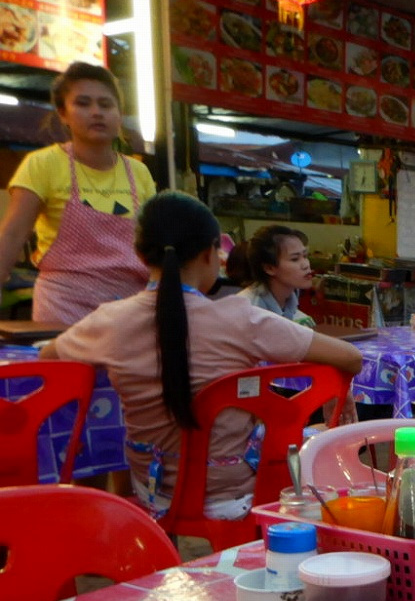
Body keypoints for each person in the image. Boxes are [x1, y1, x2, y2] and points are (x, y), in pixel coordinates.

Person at [41, 192, 362, 518]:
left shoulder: (108, 321)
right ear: (211, 254)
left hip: (154, 493)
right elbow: (350, 356)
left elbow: (48, 358)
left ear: (139, 254)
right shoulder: (243, 318)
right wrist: (341, 395)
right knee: (313, 435)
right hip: (239, 493)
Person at [0, 62, 157, 325]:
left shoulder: (139, 172)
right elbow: (11, 235)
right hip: (64, 311)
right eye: (83, 104)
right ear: (63, 113)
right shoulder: (42, 164)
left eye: (106, 105)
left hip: (131, 312)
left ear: (120, 113)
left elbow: (155, 245)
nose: (96, 112)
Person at [226, 224, 317, 326]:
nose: (306, 265)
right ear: (269, 268)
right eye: (295, 259)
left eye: (305, 256)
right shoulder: (248, 310)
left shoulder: (290, 299)